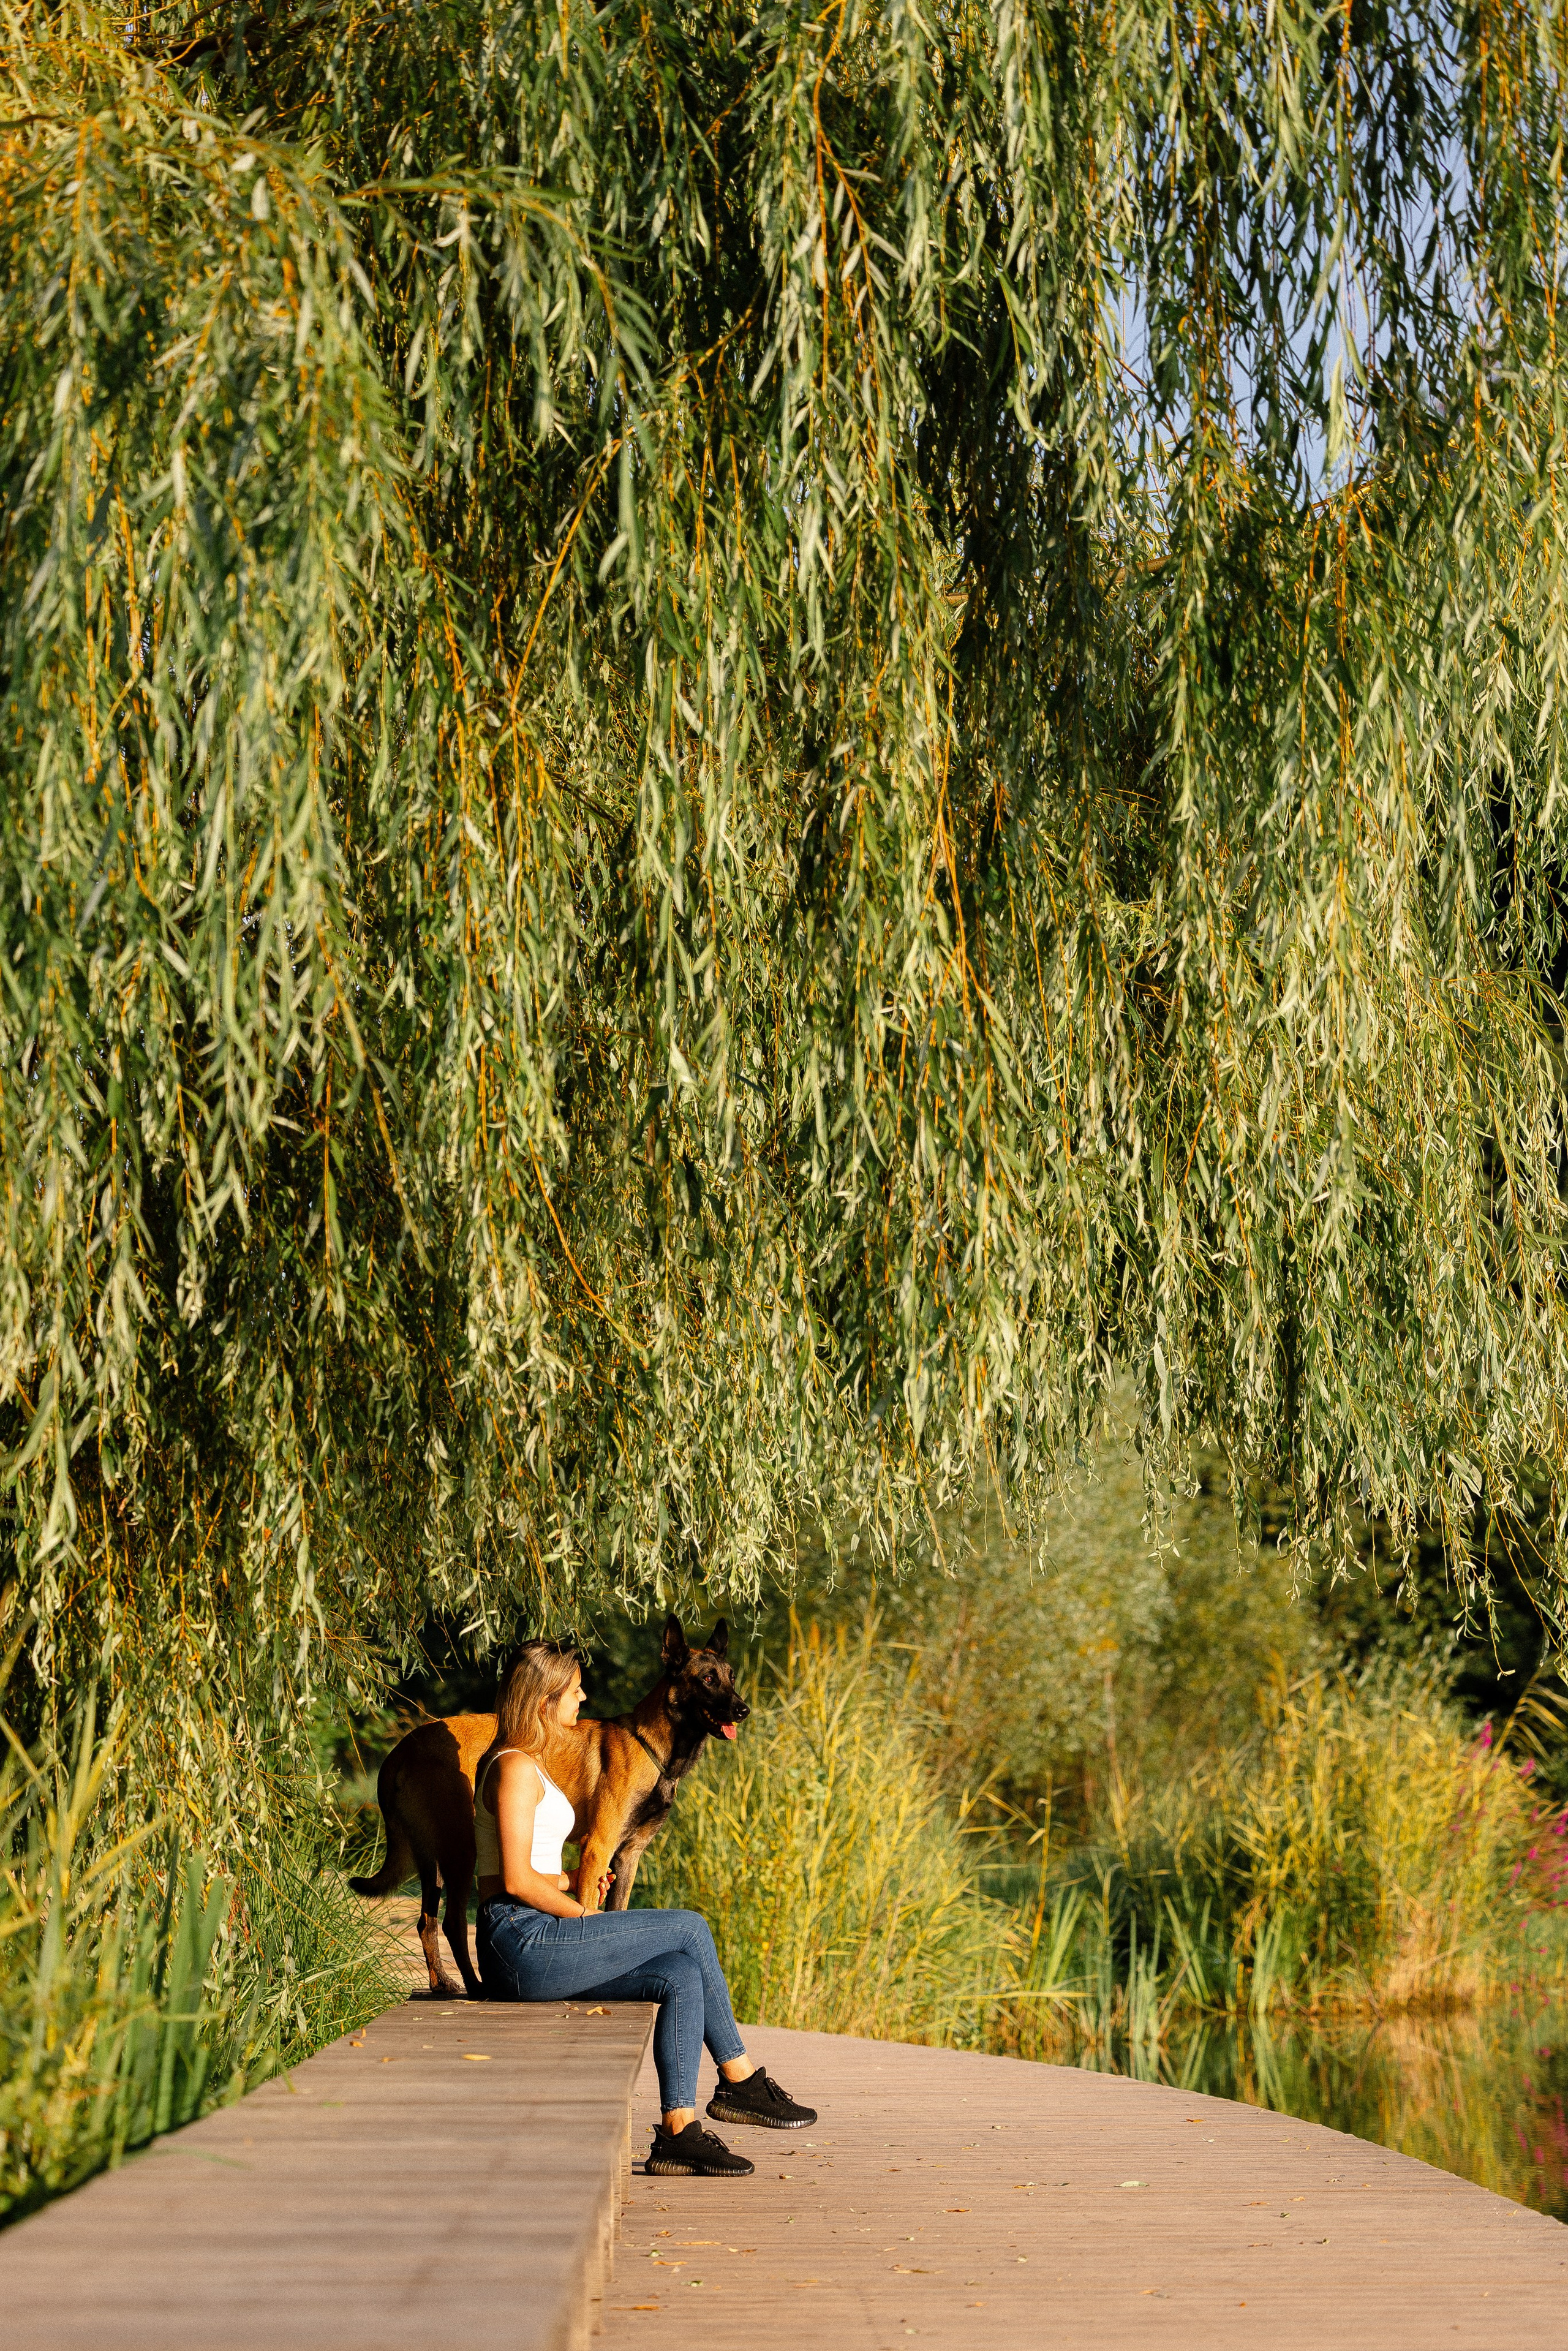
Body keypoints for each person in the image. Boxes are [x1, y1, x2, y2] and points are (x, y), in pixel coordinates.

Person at [473, 1637, 818, 2177]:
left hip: (532, 1936)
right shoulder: (515, 1766)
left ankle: (679, 2132)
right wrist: (584, 1916)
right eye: (573, 1690)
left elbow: (514, 1869)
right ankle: (741, 2081)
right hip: (521, 1941)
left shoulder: (529, 1765)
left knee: (679, 1974)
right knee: (690, 1928)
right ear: (544, 1700)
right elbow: (514, 1882)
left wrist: (569, 1879)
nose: (584, 1698)